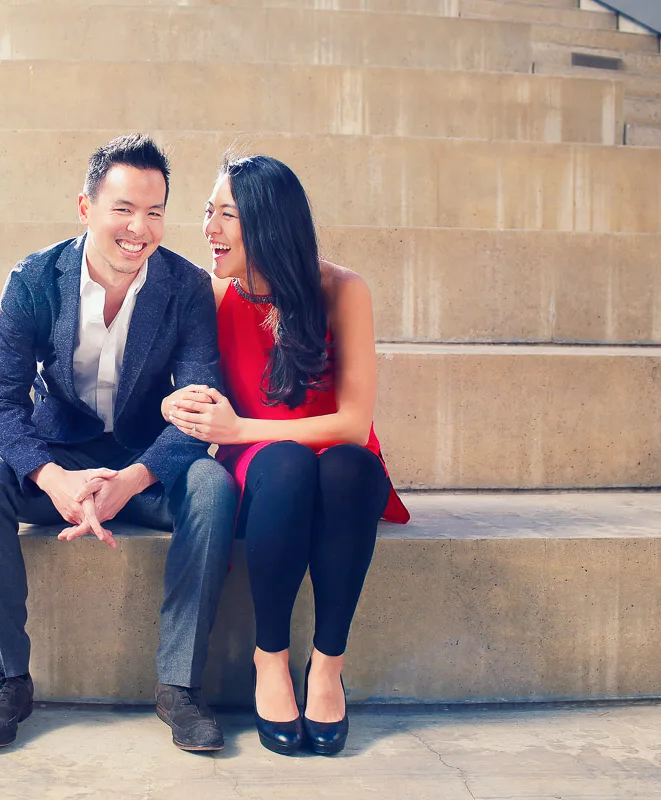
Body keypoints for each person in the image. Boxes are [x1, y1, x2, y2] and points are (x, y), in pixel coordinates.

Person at [0, 134, 238, 752]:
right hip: (62, 458)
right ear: (86, 208)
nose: (140, 228)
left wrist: (131, 481)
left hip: (145, 467)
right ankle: (8, 682)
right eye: (123, 209)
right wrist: (54, 480)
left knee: (213, 484)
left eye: (155, 211)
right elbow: (0, 402)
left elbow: (196, 407)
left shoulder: (185, 287)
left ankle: (180, 686)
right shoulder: (34, 279)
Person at [164, 154, 409, 756]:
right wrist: (175, 407)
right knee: (286, 464)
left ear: (269, 224)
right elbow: (179, 386)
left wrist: (241, 427)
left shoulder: (343, 290)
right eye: (207, 212)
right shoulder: (212, 293)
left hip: (331, 456)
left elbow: (353, 424)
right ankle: (270, 659)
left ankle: (327, 664)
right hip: (264, 469)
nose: (208, 229)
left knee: (351, 469)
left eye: (226, 215)